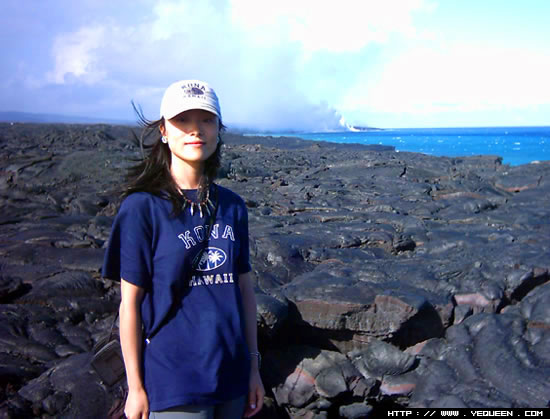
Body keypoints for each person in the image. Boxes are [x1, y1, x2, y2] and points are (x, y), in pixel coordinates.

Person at [102, 80, 265, 419]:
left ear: (218, 130)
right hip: (175, 381)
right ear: (163, 130)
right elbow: (129, 305)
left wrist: (253, 368)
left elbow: (244, 291)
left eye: (206, 120)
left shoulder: (232, 206)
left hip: (232, 377)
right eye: (182, 120)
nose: (195, 130)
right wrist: (136, 388)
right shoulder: (142, 208)